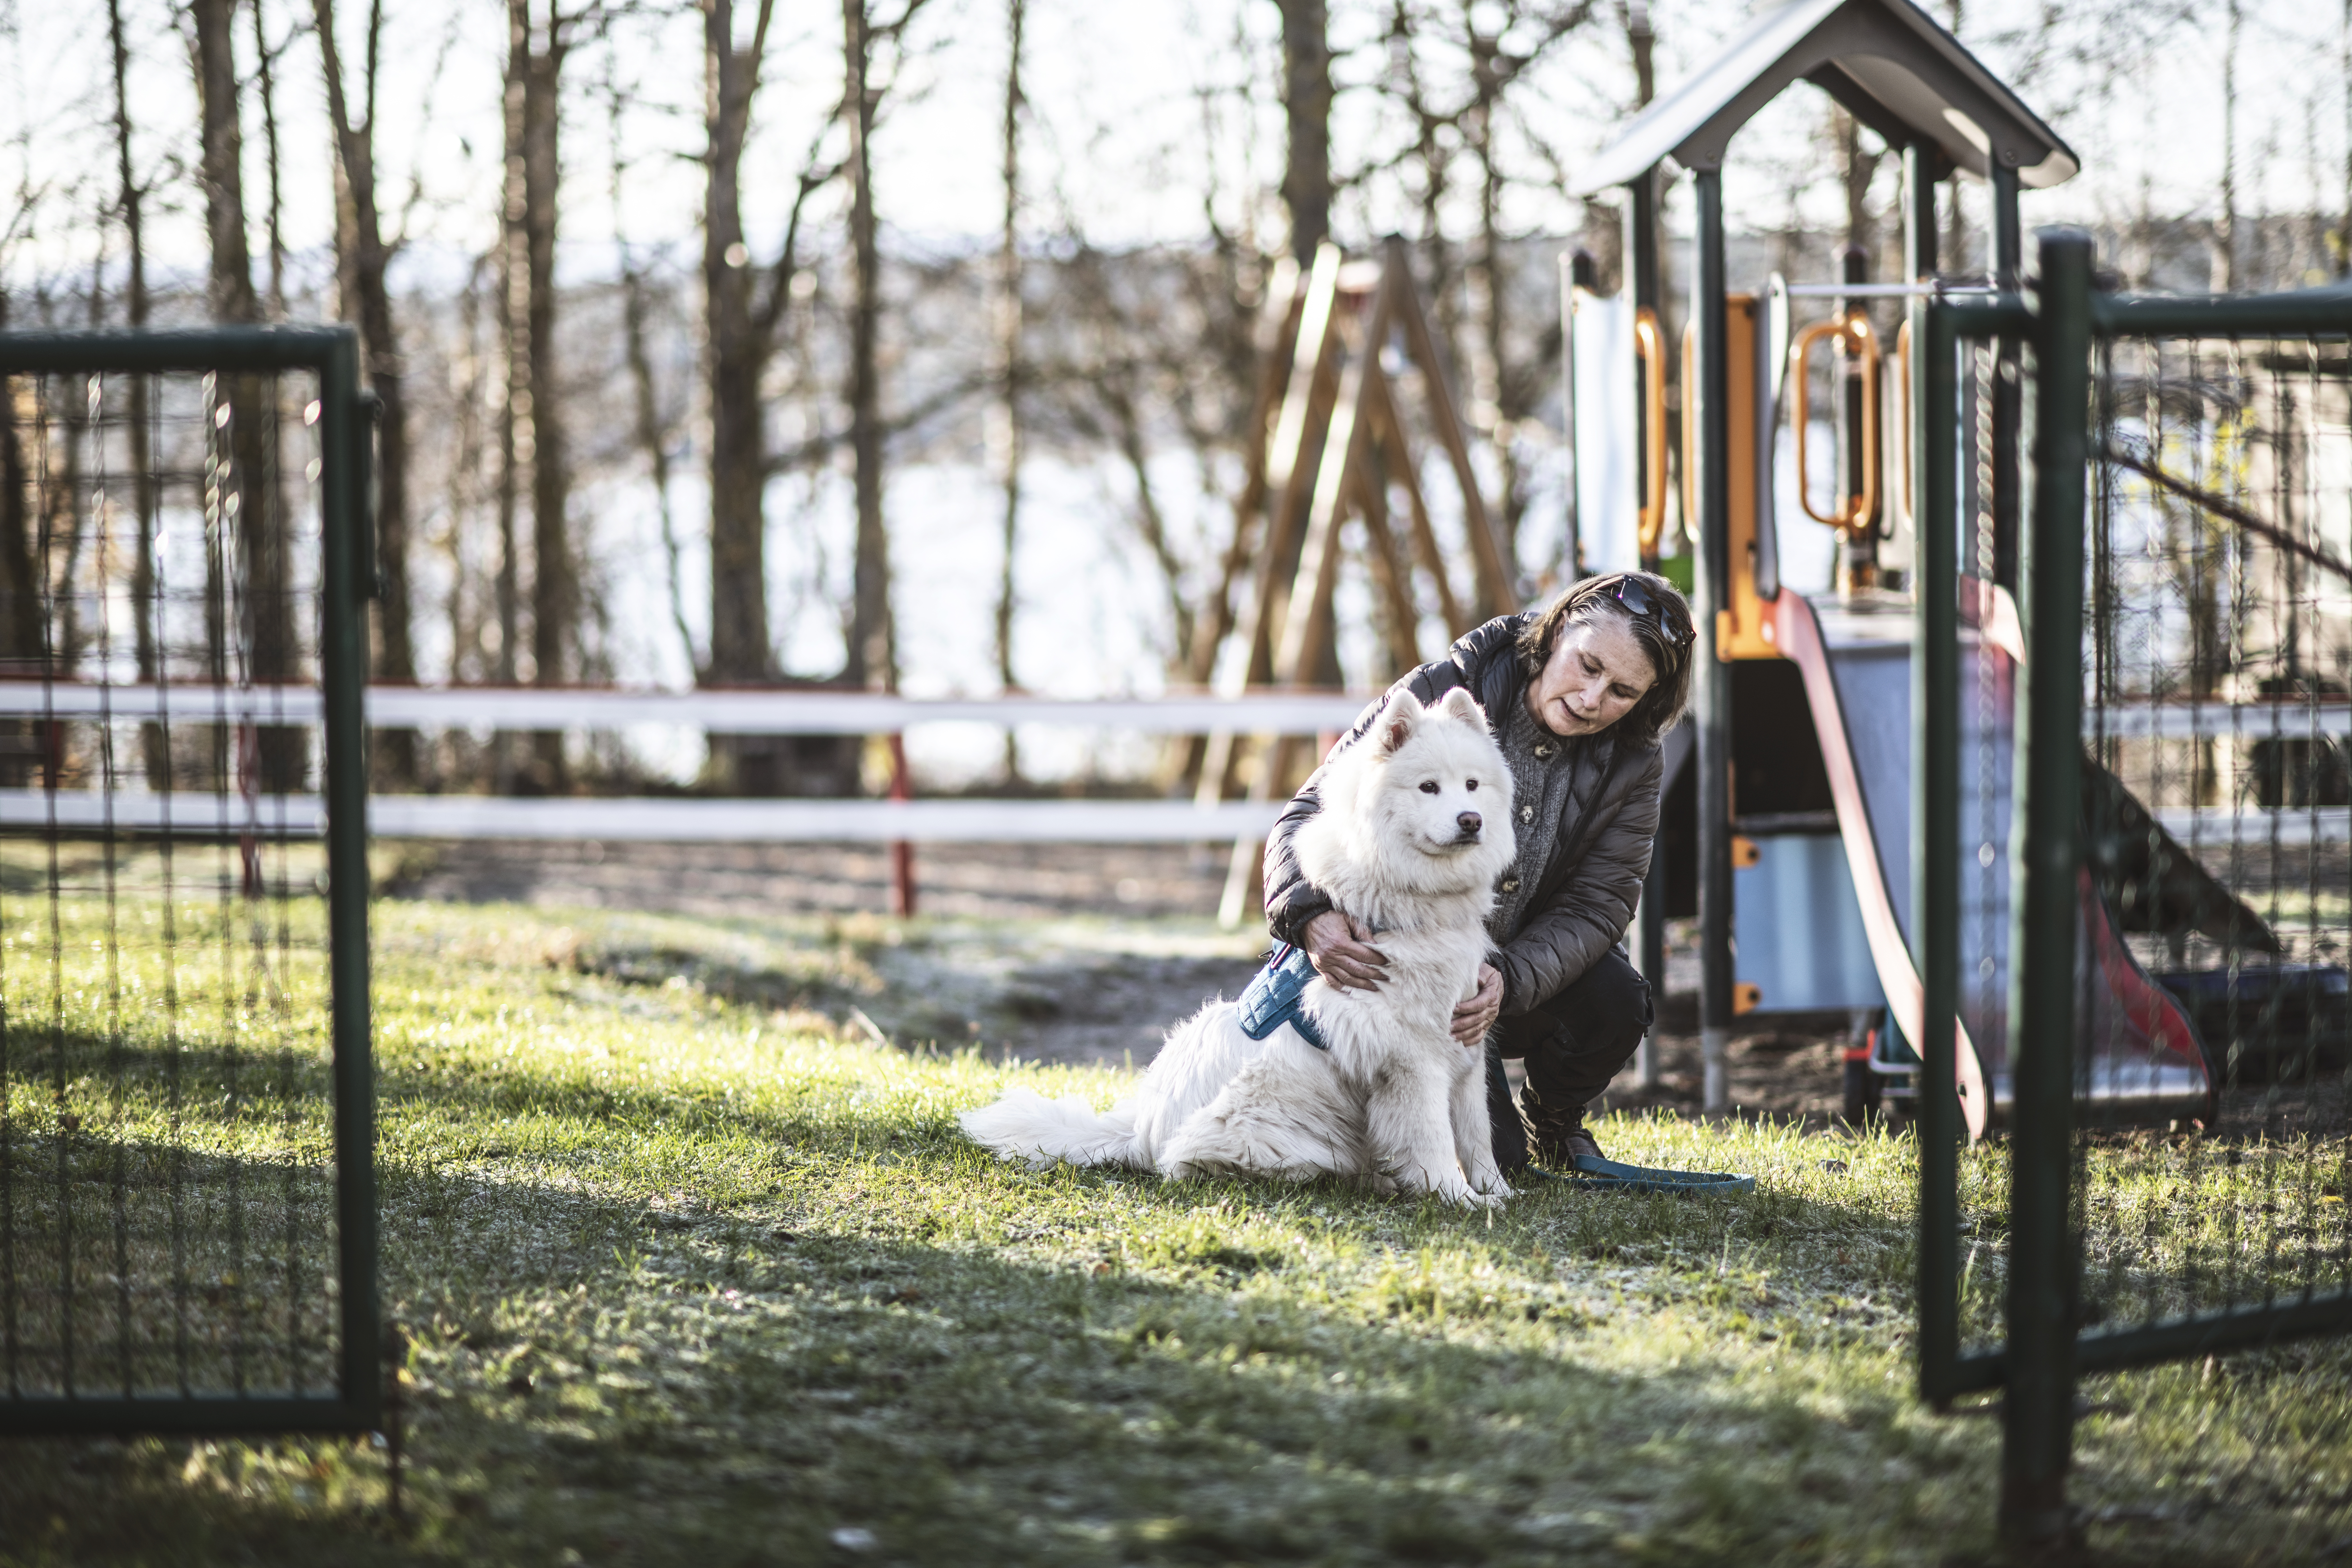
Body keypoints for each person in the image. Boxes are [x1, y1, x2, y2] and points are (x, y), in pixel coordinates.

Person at [1260, 571, 1695, 1177]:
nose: (1594, 699)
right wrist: (1310, 915)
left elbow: (1600, 904)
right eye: (1588, 665)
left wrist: (1508, 978)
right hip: (1402, 969)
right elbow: (1309, 810)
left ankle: (1557, 1120)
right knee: (1498, 1164)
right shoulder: (1448, 687)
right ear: (1560, 630)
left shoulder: (1636, 760)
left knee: (1617, 999)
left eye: (1623, 691)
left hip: (1500, 972)